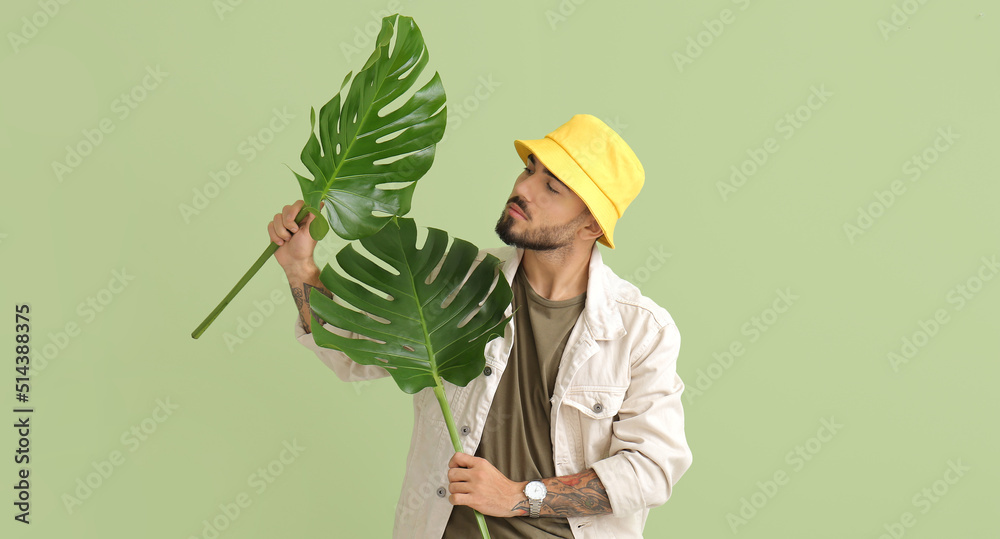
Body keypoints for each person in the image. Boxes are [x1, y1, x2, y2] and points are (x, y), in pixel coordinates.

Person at [268, 114, 693, 538]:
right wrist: (300, 268)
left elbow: (652, 469)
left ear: (591, 225)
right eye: (529, 170)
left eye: (552, 187)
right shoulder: (461, 284)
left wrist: (518, 495)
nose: (523, 188)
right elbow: (349, 349)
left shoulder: (639, 330)